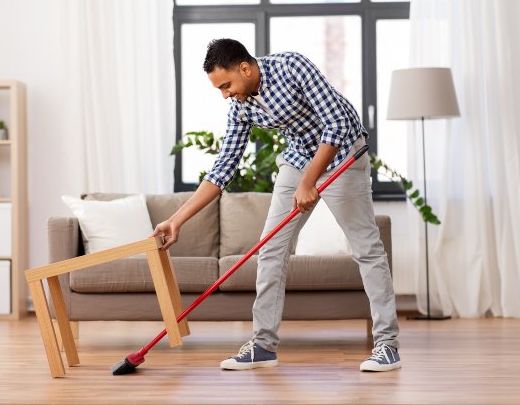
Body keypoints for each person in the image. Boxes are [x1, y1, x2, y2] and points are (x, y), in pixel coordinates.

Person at [153, 38, 401, 372]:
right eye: (219, 90)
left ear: (245, 67)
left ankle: (387, 345)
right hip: (300, 159)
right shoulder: (241, 106)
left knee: (367, 249)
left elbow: (338, 124)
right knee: (270, 249)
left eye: (226, 85)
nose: (225, 95)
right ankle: (263, 345)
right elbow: (222, 169)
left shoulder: (291, 66)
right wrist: (177, 220)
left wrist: (309, 181)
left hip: (343, 153)